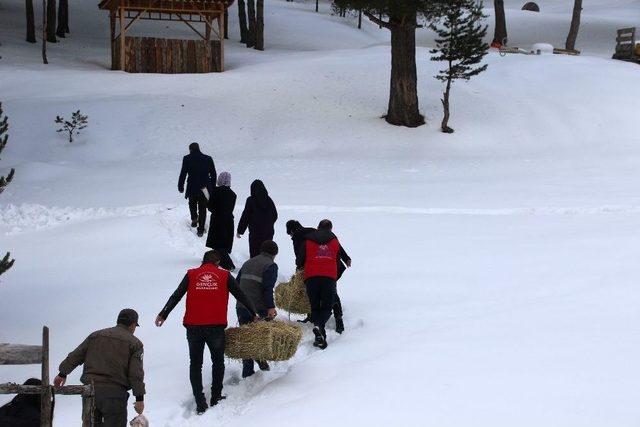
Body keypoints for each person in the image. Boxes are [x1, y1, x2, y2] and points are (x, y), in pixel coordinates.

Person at [155, 250, 258, 415]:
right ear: (217, 262)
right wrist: (253, 313)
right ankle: (216, 396)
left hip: (193, 326)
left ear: (203, 262)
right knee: (217, 362)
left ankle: (200, 402)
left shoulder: (192, 274)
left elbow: (176, 296)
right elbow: (241, 294)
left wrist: (163, 314)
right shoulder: (224, 276)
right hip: (215, 327)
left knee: (195, 364)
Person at [53, 309, 145, 427]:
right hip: (115, 395)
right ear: (133, 324)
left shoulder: (95, 336)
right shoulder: (135, 344)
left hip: (90, 392)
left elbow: (76, 355)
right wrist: (139, 398)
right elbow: (136, 374)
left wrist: (62, 374)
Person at [296, 220, 342, 350]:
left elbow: (300, 259)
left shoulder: (308, 239)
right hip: (329, 277)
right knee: (327, 306)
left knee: (315, 306)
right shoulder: (334, 241)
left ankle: (320, 337)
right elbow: (338, 261)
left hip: (311, 277)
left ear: (317, 228)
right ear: (331, 229)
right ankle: (319, 327)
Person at [235, 240, 279, 378]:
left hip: (242, 306)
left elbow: (236, 283)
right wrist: (270, 308)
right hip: (259, 309)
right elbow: (267, 289)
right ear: (275, 254)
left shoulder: (247, 263)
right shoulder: (270, 265)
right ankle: (258, 366)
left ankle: (248, 372)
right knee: (263, 337)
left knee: (247, 338)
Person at [317, 219, 352, 334]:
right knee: (332, 292)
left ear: (318, 227)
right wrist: (346, 259)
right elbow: (340, 249)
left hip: (324, 270)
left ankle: (334, 317)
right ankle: (338, 317)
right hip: (334, 270)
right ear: (330, 228)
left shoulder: (315, 237)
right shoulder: (332, 237)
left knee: (329, 293)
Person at [178, 142, 217, 237]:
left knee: (192, 203)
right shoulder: (208, 158)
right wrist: (212, 187)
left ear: (190, 149)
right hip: (204, 187)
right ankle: (201, 229)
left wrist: (180, 186)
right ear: (199, 148)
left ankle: (194, 219)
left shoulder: (187, 158)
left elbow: (183, 173)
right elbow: (213, 174)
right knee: (203, 208)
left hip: (192, 186)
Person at [237, 179, 278, 258]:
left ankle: (255, 268)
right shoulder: (269, 200)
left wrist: (240, 230)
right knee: (267, 252)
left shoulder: (250, 200)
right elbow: (275, 215)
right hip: (268, 232)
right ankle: (267, 268)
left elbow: (245, 216)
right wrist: (269, 224)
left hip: (255, 232)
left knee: (255, 252)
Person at [206, 171, 237, 270]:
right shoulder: (233, 194)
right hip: (228, 221)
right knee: (223, 243)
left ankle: (228, 265)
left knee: (218, 244)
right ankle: (218, 262)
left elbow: (210, 206)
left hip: (217, 220)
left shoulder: (216, 191)